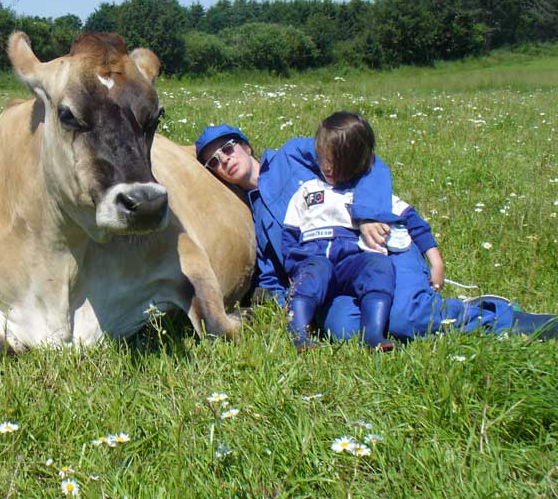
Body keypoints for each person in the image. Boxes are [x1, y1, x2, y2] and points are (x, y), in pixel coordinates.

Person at [196, 122, 558, 343]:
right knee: (345, 331)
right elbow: (271, 275)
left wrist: (369, 214)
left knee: (403, 318)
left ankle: (508, 319)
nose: (224, 160)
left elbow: (367, 161)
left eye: (227, 148)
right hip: (334, 280)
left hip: (377, 246)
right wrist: (288, 304)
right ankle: (437, 313)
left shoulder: (292, 154)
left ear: (245, 146)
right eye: (214, 162)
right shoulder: (253, 214)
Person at [280, 112, 395, 352]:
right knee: (314, 272)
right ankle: (298, 332)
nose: (327, 167)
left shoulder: (362, 192)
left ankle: (373, 333)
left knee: (378, 265)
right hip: (314, 254)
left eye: (335, 161)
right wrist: (293, 265)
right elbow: (290, 231)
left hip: (351, 259)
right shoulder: (307, 190)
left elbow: (406, 215)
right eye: (322, 158)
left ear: (355, 161)